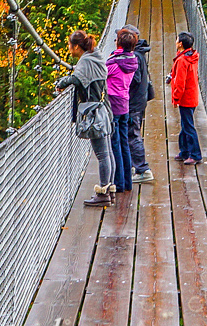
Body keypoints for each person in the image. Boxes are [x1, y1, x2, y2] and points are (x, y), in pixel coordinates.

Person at [54, 30, 116, 207]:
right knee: (108, 152)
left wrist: (61, 82)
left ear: (75, 46)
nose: (68, 49)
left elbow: (76, 79)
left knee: (103, 154)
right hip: (104, 109)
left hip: (95, 113)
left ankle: (104, 192)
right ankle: (109, 189)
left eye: (69, 45)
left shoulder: (86, 61)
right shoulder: (95, 56)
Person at [104, 27, 142, 192]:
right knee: (124, 143)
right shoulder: (132, 60)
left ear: (119, 43)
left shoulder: (114, 62)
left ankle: (118, 183)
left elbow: (100, 75)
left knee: (115, 144)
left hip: (113, 106)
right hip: (125, 105)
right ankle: (127, 182)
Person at [123, 25, 155, 184]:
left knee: (132, 134)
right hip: (139, 101)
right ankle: (134, 166)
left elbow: (133, 80)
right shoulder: (140, 53)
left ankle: (143, 170)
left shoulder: (134, 55)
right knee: (133, 133)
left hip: (133, 103)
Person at [169, 32, 203, 164]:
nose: (176, 41)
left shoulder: (183, 60)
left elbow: (180, 83)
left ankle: (195, 155)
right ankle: (184, 152)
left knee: (188, 126)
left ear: (180, 44)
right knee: (185, 124)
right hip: (191, 96)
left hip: (186, 98)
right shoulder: (191, 57)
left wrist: (176, 98)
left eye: (177, 39)